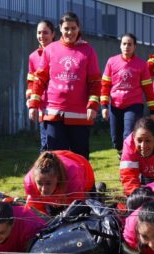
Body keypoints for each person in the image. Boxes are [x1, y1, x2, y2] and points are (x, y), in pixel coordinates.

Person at [28, 12, 101, 159]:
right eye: (66, 28)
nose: (70, 32)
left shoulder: (88, 51)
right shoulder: (50, 49)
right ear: (60, 29)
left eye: (73, 28)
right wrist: (33, 104)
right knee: (56, 158)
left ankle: (84, 183)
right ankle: (59, 183)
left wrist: (93, 105)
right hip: (54, 113)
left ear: (78, 28)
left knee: (80, 158)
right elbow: (40, 79)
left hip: (79, 115)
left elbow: (94, 81)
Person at [100, 33, 154, 159]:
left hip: (134, 105)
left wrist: (153, 111)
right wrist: (104, 106)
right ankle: (122, 156)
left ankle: (130, 159)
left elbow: (148, 89)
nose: (127, 46)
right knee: (116, 138)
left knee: (128, 134)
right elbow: (105, 85)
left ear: (134, 47)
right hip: (115, 105)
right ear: (120, 46)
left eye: (130, 44)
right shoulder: (111, 62)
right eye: (124, 43)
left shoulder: (141, 65)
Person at [24, 150, 95, 215]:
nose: (43, 189)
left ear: (58, 178)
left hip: (82, 169)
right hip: (59, 188)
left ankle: (99, 190)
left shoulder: (73, 176)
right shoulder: (30, 183)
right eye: (39, 183)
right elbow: (36, 212)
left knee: (90, 208)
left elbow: (78, 207)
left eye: (48, 183)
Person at [26, 20, 55, 153]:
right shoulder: (33, 57)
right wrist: (30, 100)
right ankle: (46, 172)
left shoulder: (60, 53)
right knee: (45, 143)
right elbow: (31, 81)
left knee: (58, 144)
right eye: (39, 32)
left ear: (53, 34)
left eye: (45, 32)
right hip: (43, 105)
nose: (41, 36)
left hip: (59, 104)